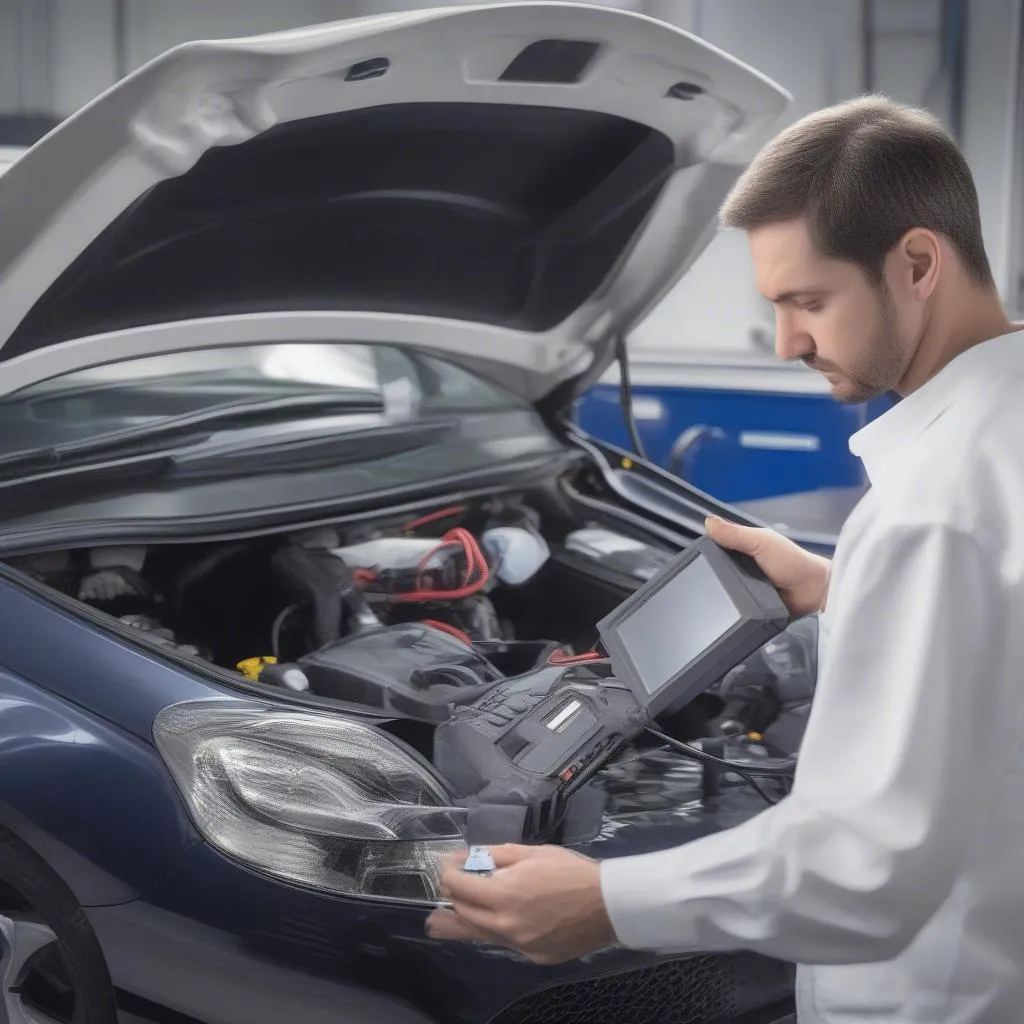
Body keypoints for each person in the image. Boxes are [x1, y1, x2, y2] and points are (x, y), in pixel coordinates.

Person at [424, 95, 1024, 1023]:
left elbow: (869, 870)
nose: (787, 343)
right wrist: (844, 589)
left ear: (916, 264)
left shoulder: (935, 508)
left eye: (807, 301)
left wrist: (602, 905)